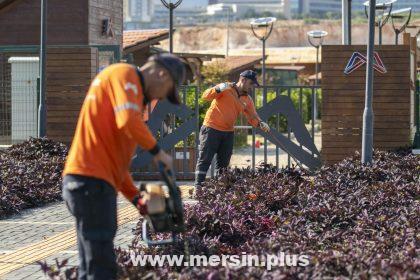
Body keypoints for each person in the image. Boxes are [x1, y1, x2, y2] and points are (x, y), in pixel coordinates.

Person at [62, 54, 186, 280]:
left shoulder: (128, 108)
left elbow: (118, 168)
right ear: (162, 74)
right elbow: (128, 121)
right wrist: (158, 153)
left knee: (91, 265)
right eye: (167, 91)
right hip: (90, 183)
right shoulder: (124, 74)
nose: (162, 98)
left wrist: (138, 200)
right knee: (101, 268)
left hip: (91, 183)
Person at [195, 70, 270, 188]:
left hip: (228, 133)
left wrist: (260, 124)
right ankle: (198, 188)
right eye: (251, 83)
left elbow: (252, 116)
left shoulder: (247, 99)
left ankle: (219, 191)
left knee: (223, 165)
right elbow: (205, 96)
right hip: (211, 128)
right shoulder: (226, 88)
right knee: (205, 160)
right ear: (243, 80)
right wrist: (218, 88)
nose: (252, 87)